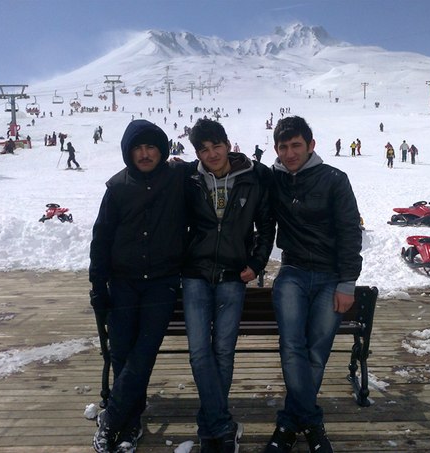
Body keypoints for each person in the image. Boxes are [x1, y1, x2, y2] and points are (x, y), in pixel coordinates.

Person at [265, 116, 362, 453]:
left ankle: (290, 423)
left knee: (316, 351)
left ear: (311, 145)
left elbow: (350, 231)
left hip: (330, 276)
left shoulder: (334, 179)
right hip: (292, 271)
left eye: (296, 145)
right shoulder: (273, 179)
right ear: (276, 149)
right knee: (292, 346)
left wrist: (347, 283)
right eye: (283, 147)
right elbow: (237, 171)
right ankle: (311, 422)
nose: (290, 153)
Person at [89, 120, 187, 453]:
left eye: (151, 147)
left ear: (162, 150)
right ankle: (131, 422)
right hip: (123, 283)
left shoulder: (176, 178)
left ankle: (112, 419)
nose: (145, 154)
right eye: (138, 148)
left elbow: (214, 162)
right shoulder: (117, 187)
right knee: (121, 352)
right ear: (129, 152)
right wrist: (98, 285)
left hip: (161, 283)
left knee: (143, 353)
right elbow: (101, 239)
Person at [183, 118, 275, 452]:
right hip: (195, 274)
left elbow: (266, 224)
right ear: (197, 153)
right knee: (199, 352)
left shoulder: (252, 177)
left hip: (233, 276)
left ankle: (211, 428)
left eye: (216, 146)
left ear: (227, 143)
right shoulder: (189, 179)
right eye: (204, 149)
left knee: (223, 351)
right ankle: (221, 425)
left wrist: (257, 263)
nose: (212, 154)